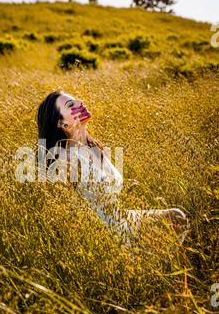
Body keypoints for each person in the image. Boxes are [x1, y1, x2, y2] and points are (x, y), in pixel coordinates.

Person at [36, 89, 190, 245]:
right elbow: (66, 217)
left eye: (77, 100)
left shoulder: (93, 147)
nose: (80, 103)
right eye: (71, 104)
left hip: (120, 218)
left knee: (176, 217)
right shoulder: (65, 160)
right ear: (61, 123)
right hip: (103, 233)